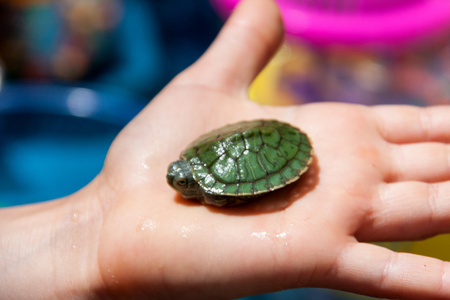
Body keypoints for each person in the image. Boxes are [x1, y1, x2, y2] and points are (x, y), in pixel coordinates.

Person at [1, 0, 450, 298]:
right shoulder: (194, 173)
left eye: (182, 176)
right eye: (179, 175)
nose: (177, 180)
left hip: (272, 142)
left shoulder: (206, 182)